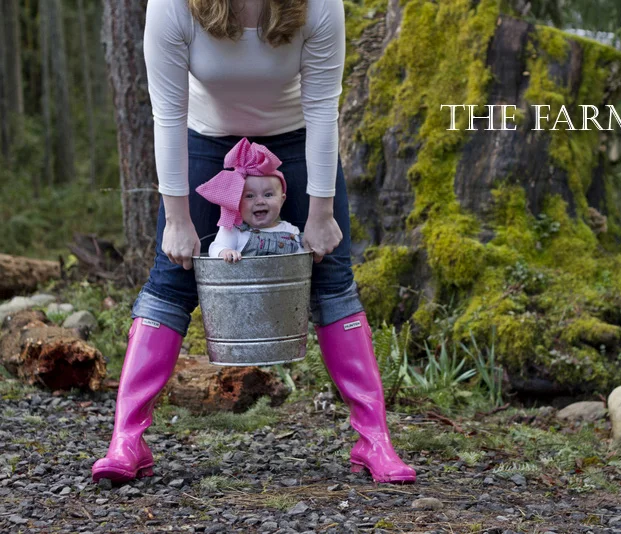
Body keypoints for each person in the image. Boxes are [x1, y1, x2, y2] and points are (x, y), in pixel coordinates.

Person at [91, 0, 416, 485]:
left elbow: (324, 109)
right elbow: (167, 114)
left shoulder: (318, 6)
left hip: (295, 142)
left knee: (332, 279)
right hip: (206, 142)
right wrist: (177, 219)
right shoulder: (174, 7)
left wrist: (321, 213)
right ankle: (126, 440)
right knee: (171, 281)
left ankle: (374, 441)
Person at [198, 137, 303, 262]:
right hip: (243, 280)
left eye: (268, 195)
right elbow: (215, 248)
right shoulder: (234, 230)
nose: (260, 201)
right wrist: (225, 252)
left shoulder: (290, 230)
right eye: (250, 196)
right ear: (237, 202)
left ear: (282, 199)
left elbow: (302, 260)